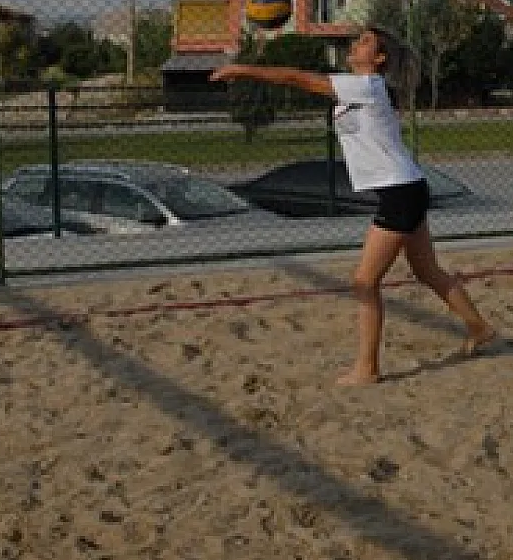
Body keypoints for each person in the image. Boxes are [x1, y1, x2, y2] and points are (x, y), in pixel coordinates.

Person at [211, 27, 495, 385]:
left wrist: (243, 70)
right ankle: (479, 327)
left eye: (364, 42)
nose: (355, 44)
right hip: (407, 186)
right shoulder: (362, 88)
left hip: (399, 191)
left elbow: (294, 78)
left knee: (364, 282)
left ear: (378, 58)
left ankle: (367, 369)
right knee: (426, 272)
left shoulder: (367, 86)